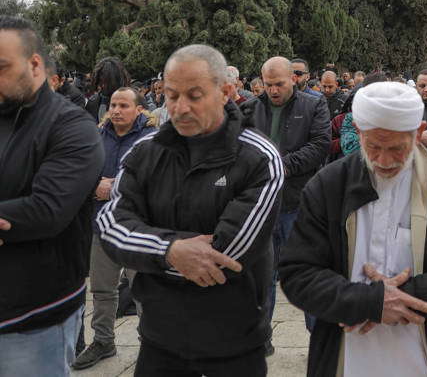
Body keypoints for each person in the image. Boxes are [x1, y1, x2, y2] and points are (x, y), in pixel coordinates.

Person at [278, 81, 427, 376]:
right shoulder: (328, 185)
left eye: (396, 148)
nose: (384, 160)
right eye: (374, 146)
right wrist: (369, 302)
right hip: (348, 358)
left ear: (418, 133)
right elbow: (298, 274)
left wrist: (403, 299)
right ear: (358, 131)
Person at [97, 44, 283, 376]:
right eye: (171, 95)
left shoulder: (259, 158)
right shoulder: (144, 152)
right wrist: (169, 250)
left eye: (194, 96)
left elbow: (223, 258)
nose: (180, 107)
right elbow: (111, 227)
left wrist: (144, 249)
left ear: (226, 92)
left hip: (234, 345)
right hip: (158, 341)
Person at [0, 16, 104, 376]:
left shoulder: (72, 126)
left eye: (1, 67)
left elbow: (46, 211)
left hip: (33, 316)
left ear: (35, 64)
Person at [242, 56, 331, 349]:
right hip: (261, 207)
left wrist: (279, 165)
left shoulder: (313, 105)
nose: (274, 90)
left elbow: (319, 146)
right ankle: (260, 338)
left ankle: (320, 339)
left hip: (298, 203)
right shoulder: (252, 109)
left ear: (293, 78)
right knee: (261, 276)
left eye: (279, 83)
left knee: (305, 273)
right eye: (268, 85)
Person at [72, 87, 159, 370]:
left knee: (143, 288)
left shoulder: (152, 139)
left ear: (139, 110)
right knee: (101, 288)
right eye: (113, 105)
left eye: (123, 105)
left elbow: (156, 178)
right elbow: (79, 171)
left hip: (139, 227)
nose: (117, 110)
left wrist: (117, 187)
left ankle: (152, 343)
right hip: (102, 225)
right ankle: (103, 340)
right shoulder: (97, 137)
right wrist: (93, 185)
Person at [86, 57, 131, 123]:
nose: (102, 86)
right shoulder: (93, 103)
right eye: (100, 82)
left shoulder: (133, 101)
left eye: (107, 82)